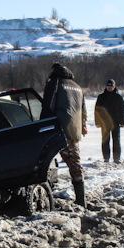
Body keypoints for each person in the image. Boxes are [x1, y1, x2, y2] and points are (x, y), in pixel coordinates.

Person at [43, 62, 87, 207]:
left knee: (42, 161)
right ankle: (81, 200)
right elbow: (83, 110)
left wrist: (42, 125)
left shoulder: (54, 83)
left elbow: (48, 105)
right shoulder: (77, 86)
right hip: (74, 131)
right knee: (75, 164)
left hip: (58, 130)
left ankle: (45, 196)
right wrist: (83, 126)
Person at [94, 78, 124, 163]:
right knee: (105, 141)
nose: (109, 87)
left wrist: (122, 121)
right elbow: (97, 110)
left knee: (116, 140)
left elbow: (122, 110)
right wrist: (97, 122)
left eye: (111, 85)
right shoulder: (101, 97)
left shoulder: (118, 97)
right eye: (108, 85)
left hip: (115, 122)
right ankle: (106, 158)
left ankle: (116, 158)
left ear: (114, 86)